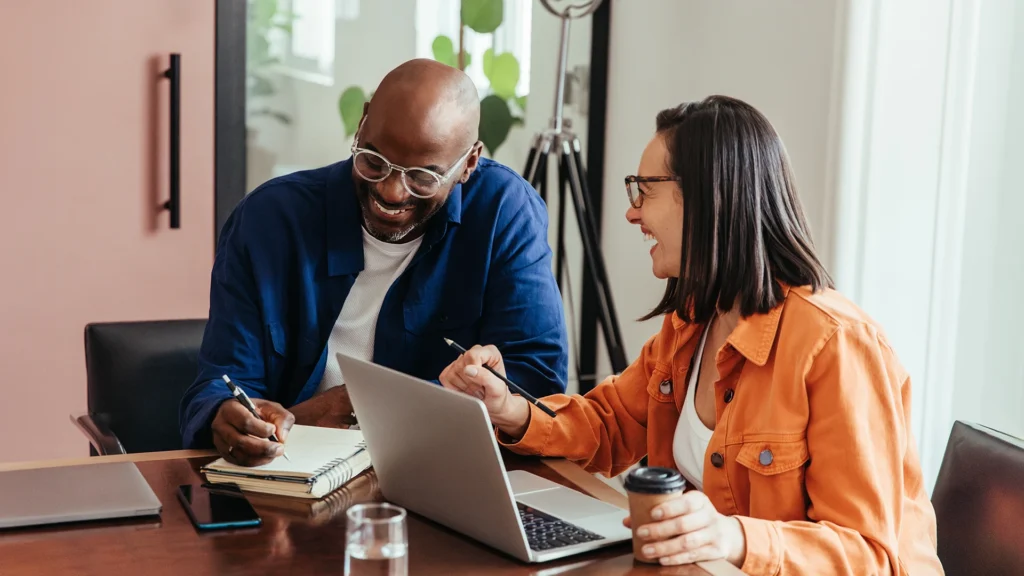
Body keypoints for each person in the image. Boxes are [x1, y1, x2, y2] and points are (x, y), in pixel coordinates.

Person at [440, 96, 944, 573]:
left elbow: (871, 557)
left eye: (644, 189)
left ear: (707, 197)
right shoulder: (692, 323)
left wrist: (735, 538)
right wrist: (512, 410)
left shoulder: (838, 346)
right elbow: (611, 424)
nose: (631, 212)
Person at [179, 59, 569, 466]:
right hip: (289, 477)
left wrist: (361, 405)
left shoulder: (503, 213)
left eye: (422, 177)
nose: (391, 192)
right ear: (363, 123)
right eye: (373, 160)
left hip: (439, 475)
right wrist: (226, 415)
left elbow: (535, 385)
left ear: (468, 162)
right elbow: (222, 379)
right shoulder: (270, 220)